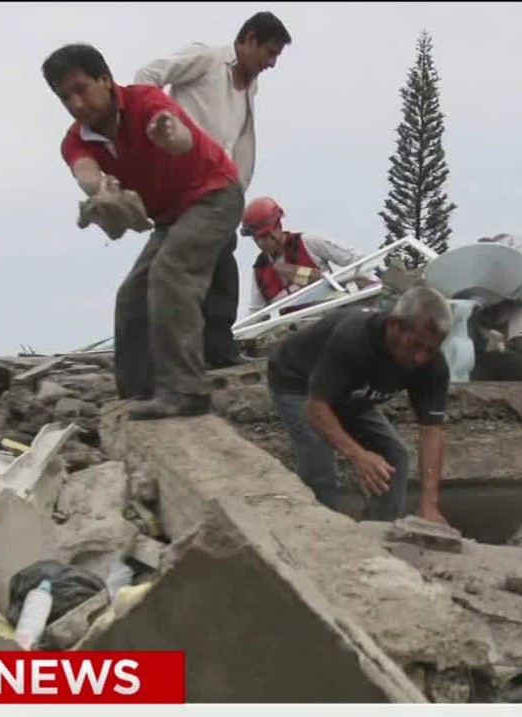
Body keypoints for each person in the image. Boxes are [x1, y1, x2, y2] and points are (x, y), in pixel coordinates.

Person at [44, 43, 244, 418]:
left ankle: (186, 390)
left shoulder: (146, 102)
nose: (75, 103)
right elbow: (84, 171)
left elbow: (181, 138)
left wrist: (168, 135)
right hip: (172, 216)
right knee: (132, 296)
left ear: (105, 79)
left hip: (214, 194)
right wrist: (99, 190)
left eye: (81, 89)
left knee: (171, 274)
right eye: (64, 96)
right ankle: (139, 392)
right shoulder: (75, 140)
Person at [135, 12, 293, 370]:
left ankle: (212, 350)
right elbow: (148, 76)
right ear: (248, 39)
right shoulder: (206, 59)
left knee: (219, 267)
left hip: (220, 190)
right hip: (185, 184)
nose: (270, 64)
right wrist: (157, 131)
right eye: (267, 53)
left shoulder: (250, 86)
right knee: (188, 268)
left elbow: (233, 141)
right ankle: (193, 354)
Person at [265, 285, 452, 525]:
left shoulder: (432, 365)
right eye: (415, 344)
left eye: (430, 349)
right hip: (297, 381)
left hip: (351, 393)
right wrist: (358, 455)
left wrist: (429, 505)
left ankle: (381, 530)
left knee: (395, 455)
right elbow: (316, 409)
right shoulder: (354, 338)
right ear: (394, 325)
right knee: (318, 457)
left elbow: (432, 431)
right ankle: (321, 533)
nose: (420, 357)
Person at [240, 196, 367, 318]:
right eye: (256, 238)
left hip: (331, 318)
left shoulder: (308, 242)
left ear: (278, 226)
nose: (261, 243)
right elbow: (255, 312)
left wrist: (341, 283)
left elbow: (359, 260)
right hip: (293, 332)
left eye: (265, 236)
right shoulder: (259, 269)